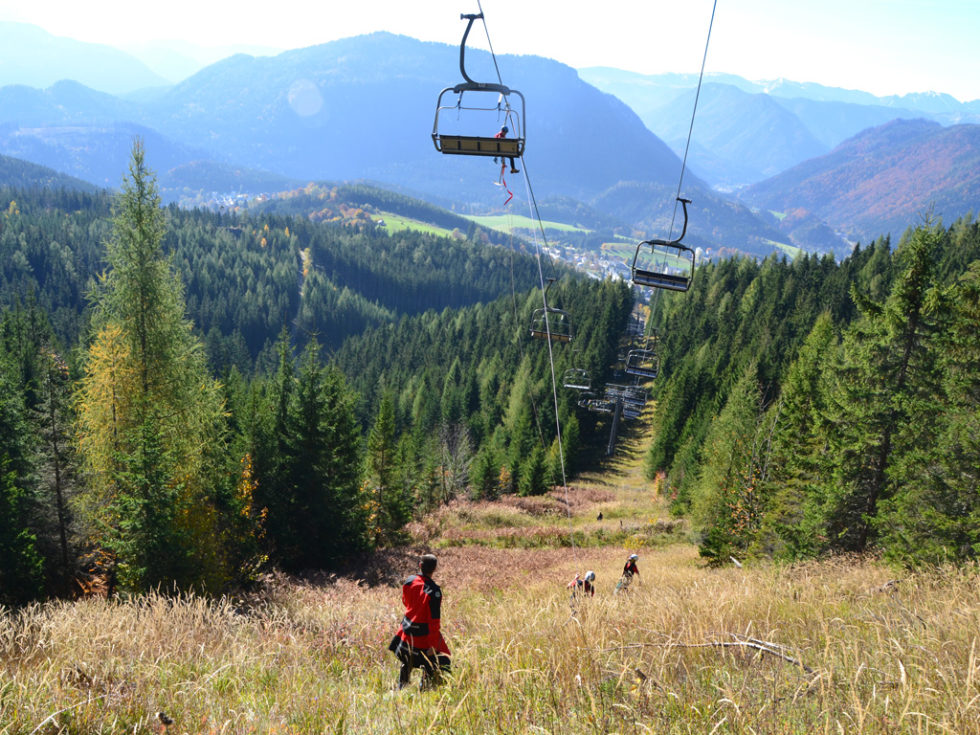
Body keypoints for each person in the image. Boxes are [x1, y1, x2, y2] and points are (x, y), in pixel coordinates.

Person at [388, 553, 451, 690]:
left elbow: (405, 602)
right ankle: (425, 689)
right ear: (434, 569)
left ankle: (401, 687)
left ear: (420, 566)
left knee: (406, 661)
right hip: (421, 640)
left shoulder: (409, 581)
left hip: (404, 636)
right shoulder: (434, 591)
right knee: (443, 661)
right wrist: (433, 646)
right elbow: (434, 622)